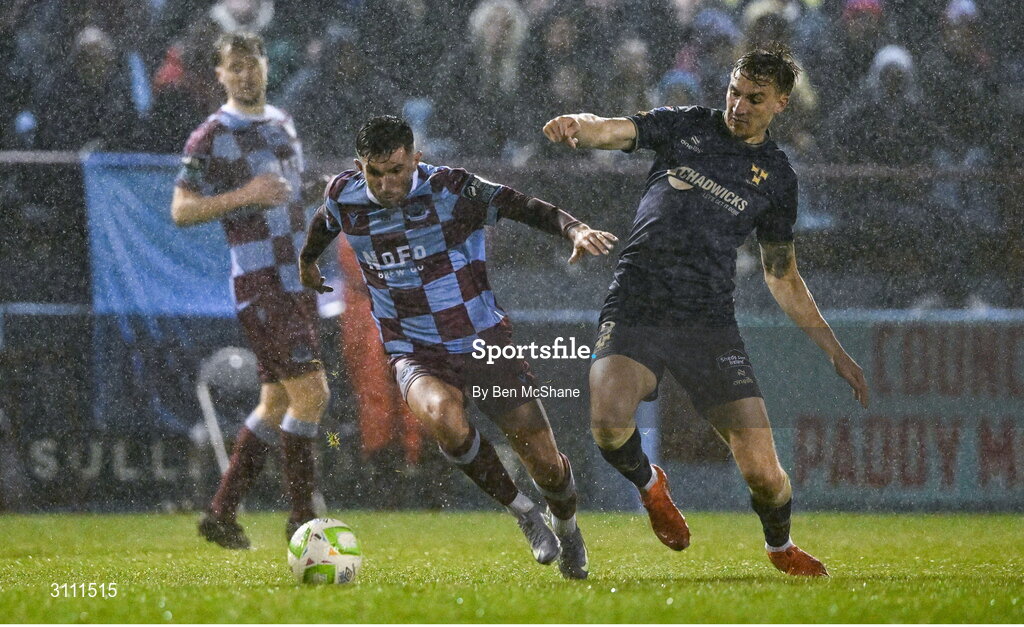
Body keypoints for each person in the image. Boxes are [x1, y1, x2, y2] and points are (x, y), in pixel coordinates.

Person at [542, 44, 869, 577]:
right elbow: (616, 130)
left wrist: (835, 351)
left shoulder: (778, 178)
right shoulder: (685, 126)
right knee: (606, 422)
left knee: (764, 474)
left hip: (707, 320)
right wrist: (582, 123)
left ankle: (780, 545)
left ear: (781, 104)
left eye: (754, 99)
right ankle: (651, 485)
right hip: (638, 300)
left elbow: (782, 274)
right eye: (734, 92)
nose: (739, 105)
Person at [298, 115, 617, 579]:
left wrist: (572, 229)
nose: (387, 184)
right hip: (413, 348)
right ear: (359, 166)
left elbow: (522, 204)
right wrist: (307, 261)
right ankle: (524, 512)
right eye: (376, 173)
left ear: (416, 159)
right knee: (444, 418)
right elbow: (325, 224)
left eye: (397, 171)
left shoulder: (452, 189)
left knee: (547, 464)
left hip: (484, 342)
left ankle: (566, 527)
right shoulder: (343, 196)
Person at [170, 31, 329, 549]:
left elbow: (290, 193)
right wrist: (246, 194)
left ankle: (220, 514)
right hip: (260, 283)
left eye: (251, 62)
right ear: (219, 74)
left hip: (296, 280)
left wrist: (321, 191)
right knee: (314, 393)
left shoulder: (283, 122)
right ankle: (302, 521)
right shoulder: (210, 135)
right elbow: (182, 210)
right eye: (233, 66)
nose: (244, 74)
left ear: (265, 64)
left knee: (277, 403)